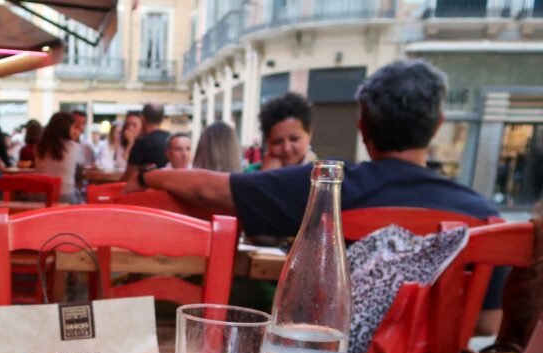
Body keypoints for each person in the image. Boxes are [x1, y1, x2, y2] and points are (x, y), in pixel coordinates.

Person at [125, 60, 498, 239]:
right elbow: (487, 322)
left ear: (362, 126)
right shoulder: (484, 217)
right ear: (438, 124)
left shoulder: (326, 186)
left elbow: (212, 189)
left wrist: (148, 174)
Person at [250, 92, 316, 171]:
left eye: (294, 139)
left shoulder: (324, 175)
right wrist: (265, 176)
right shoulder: (250, 174)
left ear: (310, 134)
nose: (286, 148)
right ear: (268, 142)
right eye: (277, 142)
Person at [34, 111, 83, 203]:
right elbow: (80, 168)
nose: (75, 130)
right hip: (65, 196)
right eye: (73, 127)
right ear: (66, 128)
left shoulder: (39, 147)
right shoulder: (74, 147)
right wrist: (76, 138)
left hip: (41, 197)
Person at [123, 103, 170, 180]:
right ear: (162, 119)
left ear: (142, 118)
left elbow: (129, 176)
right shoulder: (170, 138)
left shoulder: (141, 143)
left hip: (148, 189)